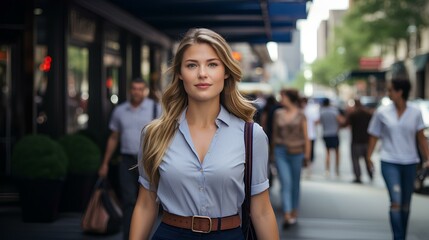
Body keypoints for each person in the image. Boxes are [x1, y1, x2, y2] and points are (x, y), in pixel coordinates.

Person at [129, 28, 279, 240]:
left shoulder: (251, 135)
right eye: (192, 65)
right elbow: (145, 205)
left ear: (225, 71)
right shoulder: (154, 134)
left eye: (212, 64)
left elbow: (262, 211)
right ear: (180, 73)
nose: (202, 73)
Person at [98, 77, 161, 240]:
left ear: (145, 90)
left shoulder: (156, 109)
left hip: (149, 161)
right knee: (128, 201)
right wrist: (105, 163)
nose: (137, 92)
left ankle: (148, 234)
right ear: (129, 90)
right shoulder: (120, 111)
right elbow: (114, 137)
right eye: (134, 88)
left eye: (140, 89)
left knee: (151, 201)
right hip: (126, 161)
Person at [367, 78, 429, 240]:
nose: (388, 93)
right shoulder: (382, 112)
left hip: (410, 162)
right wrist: (368, 157)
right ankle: (398, 237)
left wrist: (428, 158)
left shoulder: (415, 112)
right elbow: (374, 136)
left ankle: (402, 235)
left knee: (406, 204)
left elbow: (421, 138)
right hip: (389, 161)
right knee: (396, 201)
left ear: (400, 92)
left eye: (390, 90)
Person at [272, 88, 310, 228]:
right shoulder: (278, 114)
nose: (281, 99)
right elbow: (274, 135)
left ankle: (294, 210)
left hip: (297, 152)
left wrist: (307, 155)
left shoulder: (301, 115)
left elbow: (306, 137)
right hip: (280, 151)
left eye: (283, 97)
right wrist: (271, 153)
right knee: (285, 182)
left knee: (295, 183)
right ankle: (287, 213)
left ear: (290, 98)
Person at [344, 98, 373, 183]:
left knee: (355, 160)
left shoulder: (353, 114)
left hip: (356, 140)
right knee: (367, 158)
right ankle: (370, 172)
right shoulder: (368, 114)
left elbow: (346, 123)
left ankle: (358, 176)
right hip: (366, 140)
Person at [318, 98, 344, 177]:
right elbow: (341, 121)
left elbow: (319, 122)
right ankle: (337, 170)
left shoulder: (322, 112)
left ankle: (327, 170)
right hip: (334, 134)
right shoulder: (334, 111)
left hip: (326, 134)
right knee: (337, 152)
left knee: (327, 153)